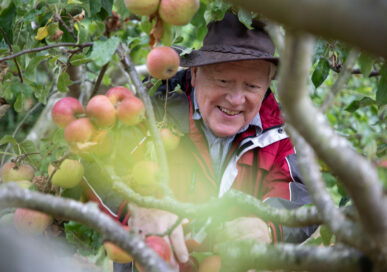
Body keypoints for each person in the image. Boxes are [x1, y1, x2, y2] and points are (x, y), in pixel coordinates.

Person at [84, 12, 317, 271]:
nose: (236, 99)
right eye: (223, 81)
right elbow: (95, 159)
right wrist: (136, 207)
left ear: (266, 87)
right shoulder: (152, 113)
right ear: (194, 74)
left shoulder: (280, 135)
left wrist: (269, 227)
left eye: (251, 86)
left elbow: (304, 195)